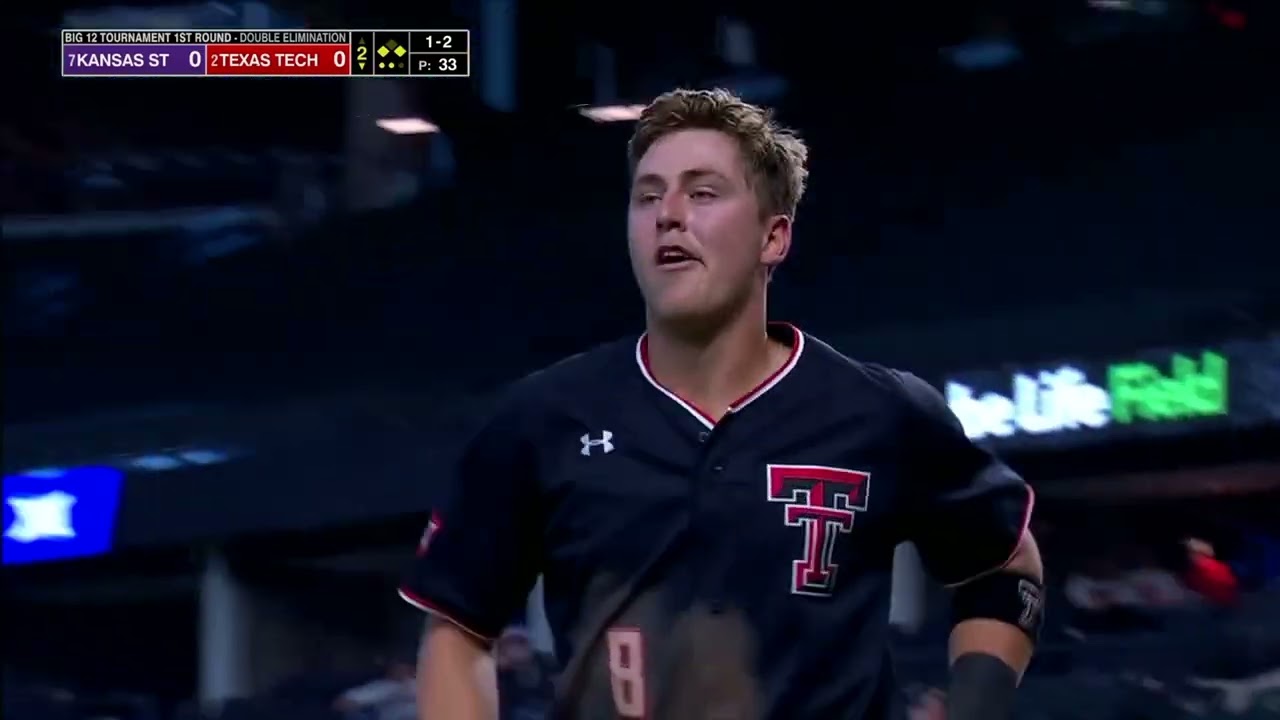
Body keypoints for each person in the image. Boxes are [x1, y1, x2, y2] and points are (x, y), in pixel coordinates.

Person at [400, 88, 1045, 720]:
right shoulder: (541, 418)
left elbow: (1004, 566)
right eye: (647, 196)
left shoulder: (882, 412)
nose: (668, 214)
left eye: (703, 193)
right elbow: (457, 628)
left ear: (774, 238)